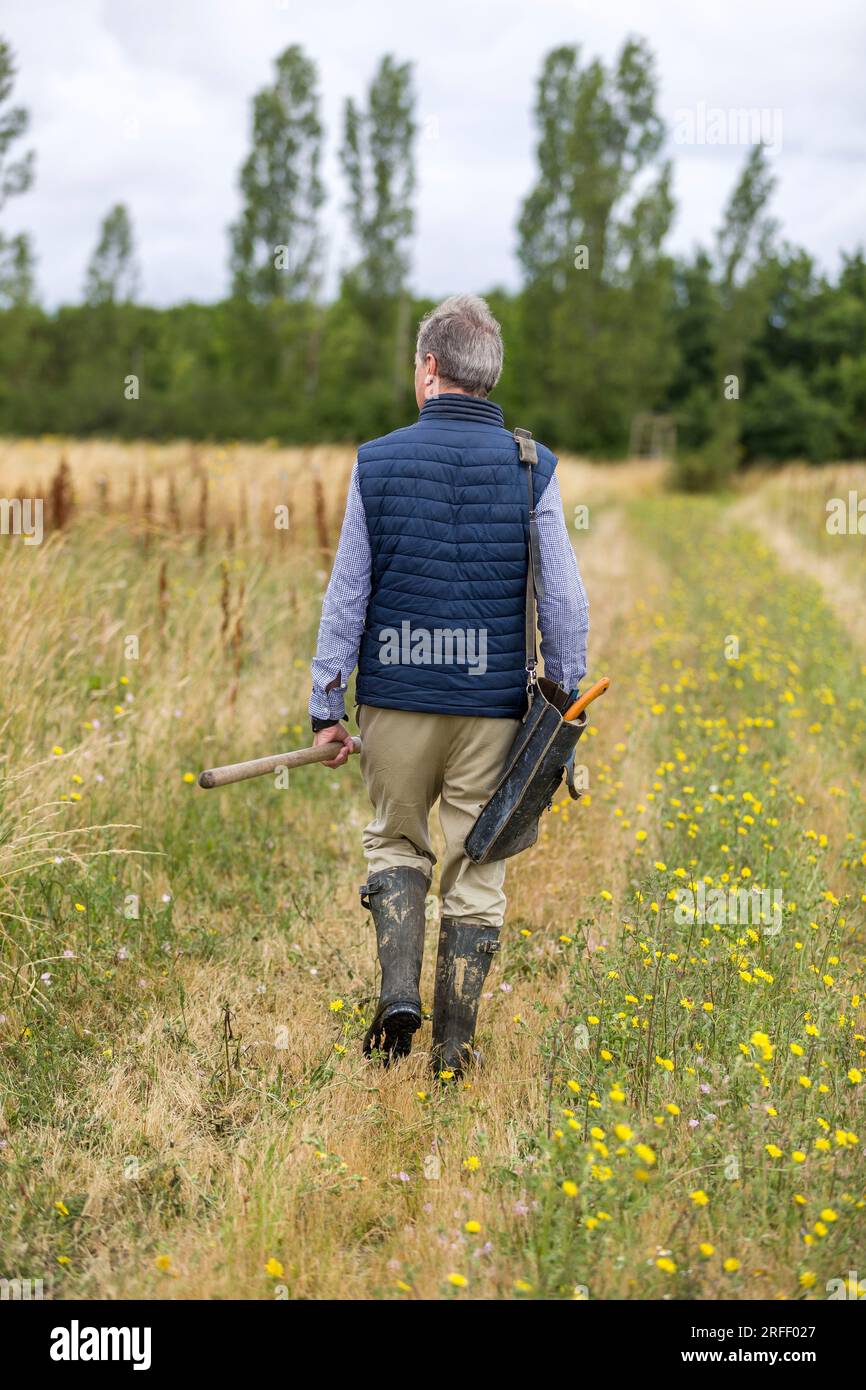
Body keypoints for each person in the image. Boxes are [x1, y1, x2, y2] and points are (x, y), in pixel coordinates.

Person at [308, 294, 588, 1077]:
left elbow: (346, 598)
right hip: (492, 710)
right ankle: (453, 1050)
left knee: (396, 844)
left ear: (429, 368)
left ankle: (399, 997)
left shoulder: (377, 459)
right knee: (477, 871)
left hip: (393, 700)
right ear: (486, 375)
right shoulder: (532, 465)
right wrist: (563, 693)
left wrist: (327, 706)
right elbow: (564, 600)